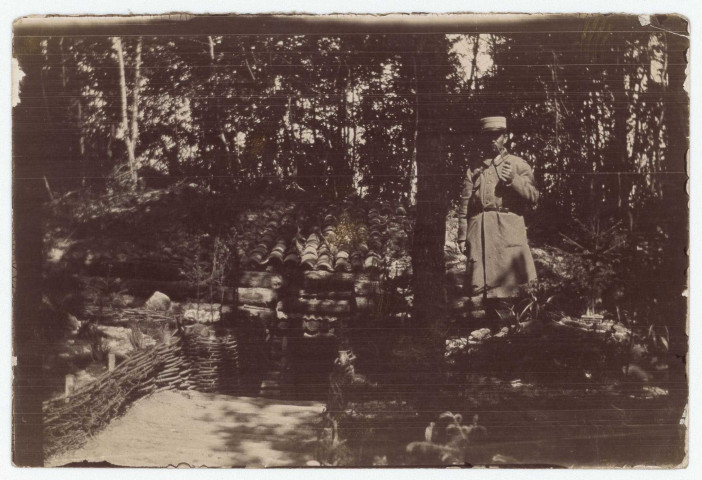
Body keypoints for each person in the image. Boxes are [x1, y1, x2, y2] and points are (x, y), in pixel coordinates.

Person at [457, 116, 539, 300]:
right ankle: (486, 325)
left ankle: (512, 325)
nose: (492, 140)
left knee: (511, 290)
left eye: (497, 136)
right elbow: (465, 205)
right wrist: (463, 236)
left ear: (506, 137)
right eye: (487, 136)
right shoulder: (474, 169)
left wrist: (514, 180)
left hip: (507, 232)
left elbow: (534, 197)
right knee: (479, 290)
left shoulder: (518, 164)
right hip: (479, 234)